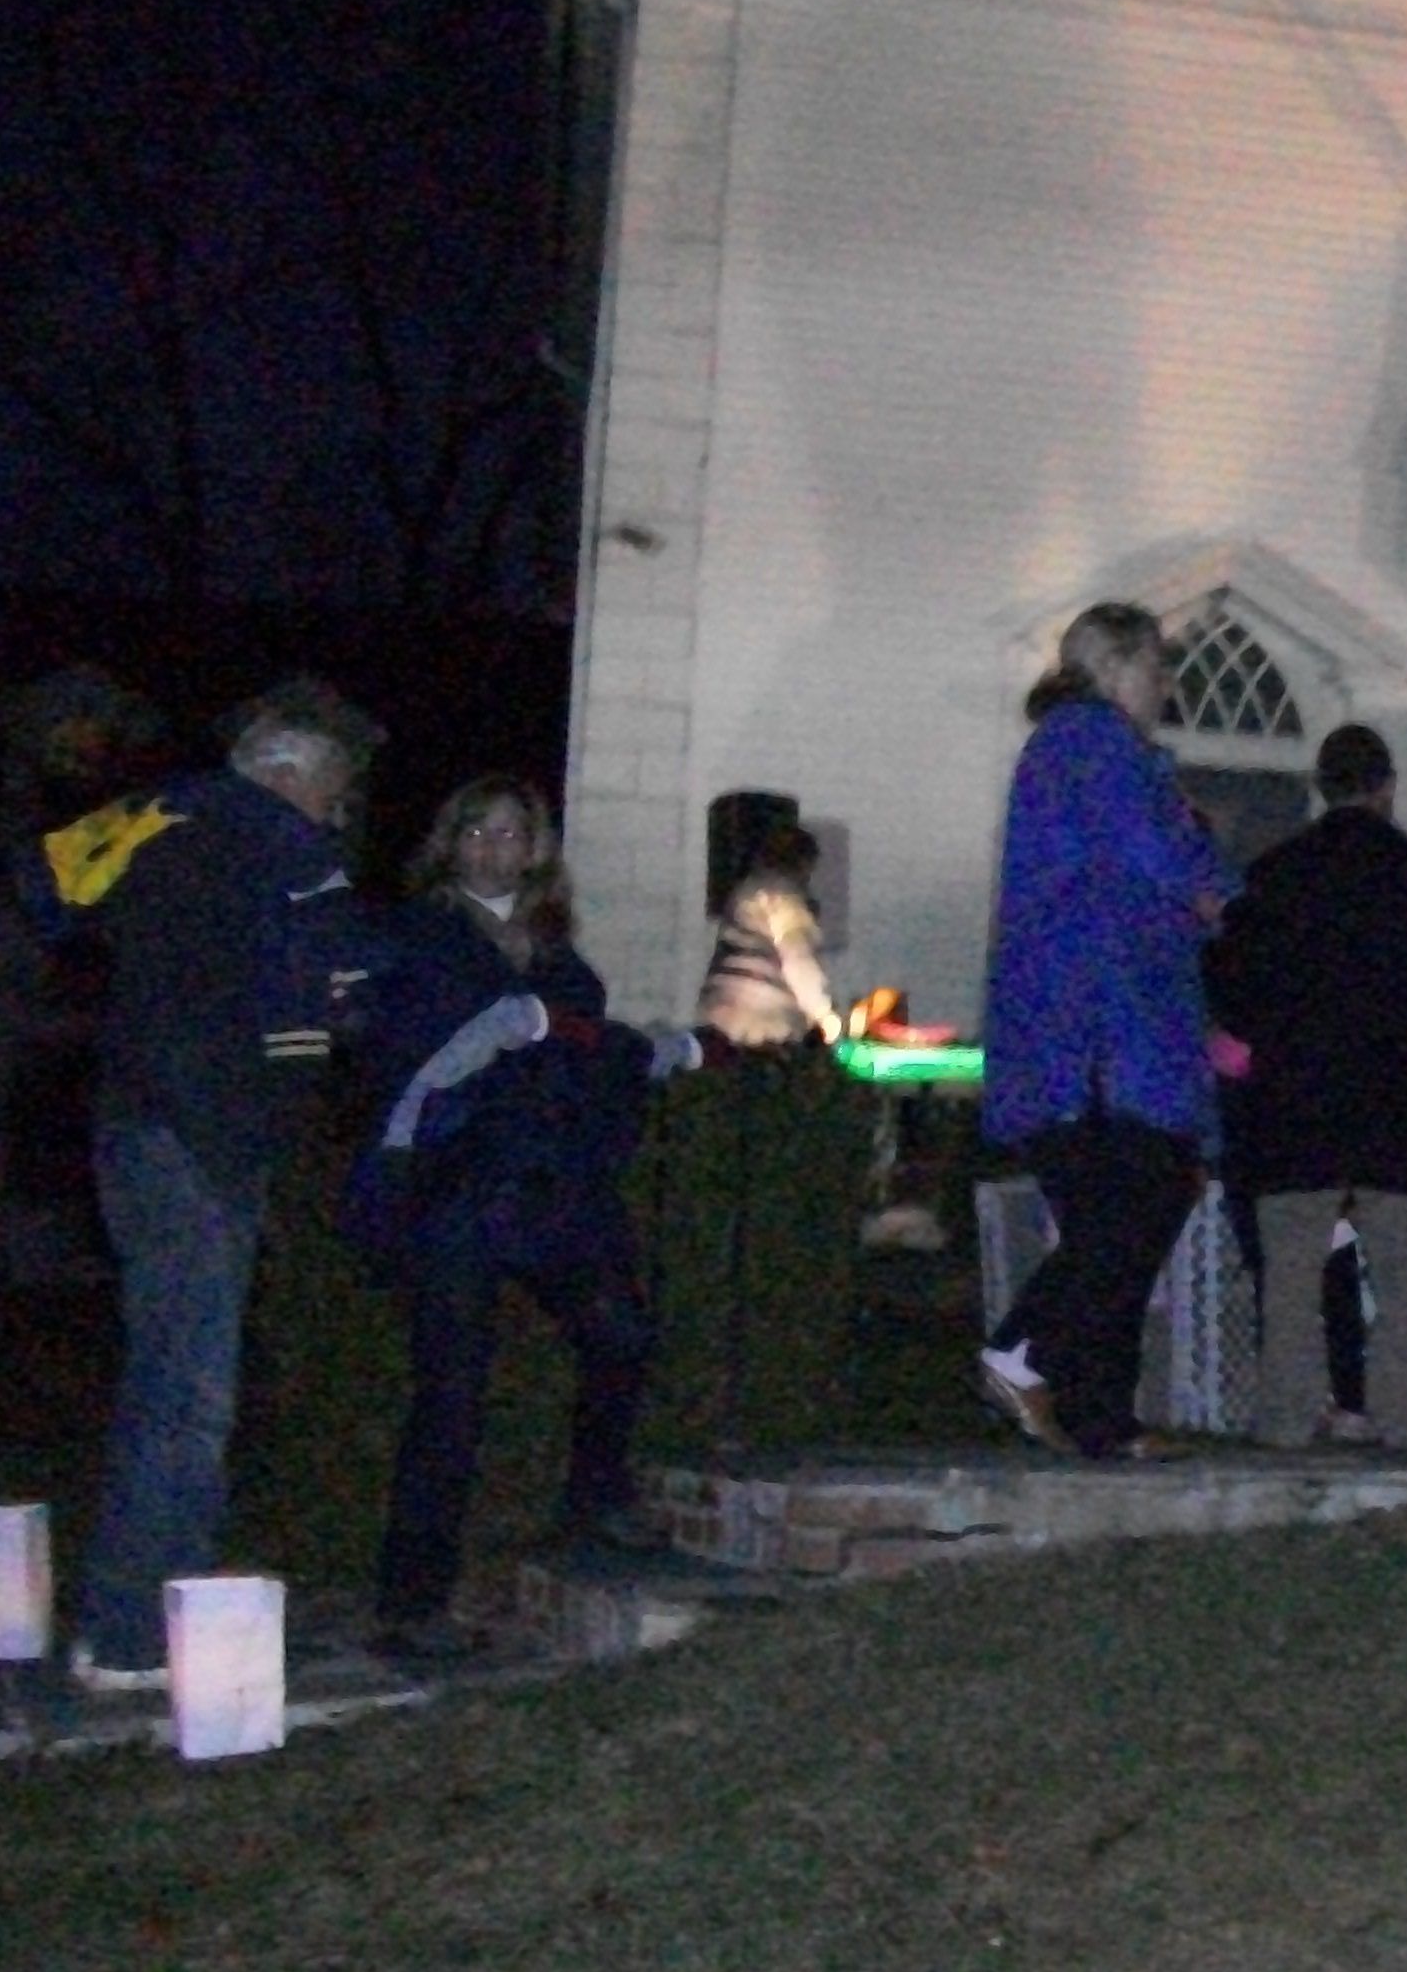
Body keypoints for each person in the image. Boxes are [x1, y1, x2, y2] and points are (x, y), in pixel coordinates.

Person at [55, 678, 382, 1694]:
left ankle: (123, 1610)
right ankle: (137, 1640)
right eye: (334, 793)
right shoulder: (289, 848)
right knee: (191, 1391)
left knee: (162, 1374)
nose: (338, 814)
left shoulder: (153, 818)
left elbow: (54, 900)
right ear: (290, 775)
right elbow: (325, 1004)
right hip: (204, 1141)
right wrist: (298, 1079)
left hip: (132, 1128)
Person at [348, 776, 705, 1660]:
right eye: (478, 832)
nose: (495, 850)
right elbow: (416, 1058)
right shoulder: (420, 937)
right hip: (459, 1191)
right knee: (452, 1395)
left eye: (513, 835)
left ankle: (595, 1499)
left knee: (620, 1331)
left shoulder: (555, 950)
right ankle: (413, 1602)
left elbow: (585, 1050)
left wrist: (652, 1051)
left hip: (553, 1190)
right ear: (452, 842)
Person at [977, 605, 1236, 1460]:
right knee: (1139, 1202)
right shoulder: (1095, 744)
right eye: (1160, 669)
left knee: (1114, 1223)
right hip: (1101, 1036)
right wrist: (1217, 884)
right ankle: (1025, 1354)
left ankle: (1100, 1418)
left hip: (1089, 1031)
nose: (1167, 688)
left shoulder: (1075, 751)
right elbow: (1155, 858)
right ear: (1120, 665)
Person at [1206, 723, 1407, 1450]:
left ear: (1320, 786)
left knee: (1293, 1284)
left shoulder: (1274, 877)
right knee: (1403, 1289)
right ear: (1387, 786)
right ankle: (1401, 1420)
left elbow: (1231, 988)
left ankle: (1286, 1420)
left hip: (1296, 1109)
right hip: (1403, 1110)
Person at [694, 820, 842, 1048]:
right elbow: (798, 957)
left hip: (718, 1009)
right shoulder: (786, 899)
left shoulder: (746, 890)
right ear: (803, 863)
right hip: (763, 1018)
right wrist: (824, 1013)